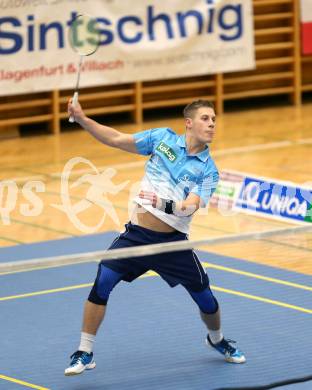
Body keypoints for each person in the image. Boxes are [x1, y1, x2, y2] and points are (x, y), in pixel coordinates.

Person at [64, 99, 246, 376]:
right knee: (102, 282)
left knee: (205, 298)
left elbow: (190, 205)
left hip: (173, 243)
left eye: (214, 120)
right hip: (136, 237)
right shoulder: (161, 139)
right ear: (189, 123)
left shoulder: (208, 170)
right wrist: (82, 119)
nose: (211, 124)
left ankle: (217, 339)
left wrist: (162, 204)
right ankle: (85, 351)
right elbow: (115, 138)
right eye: (206, 118)